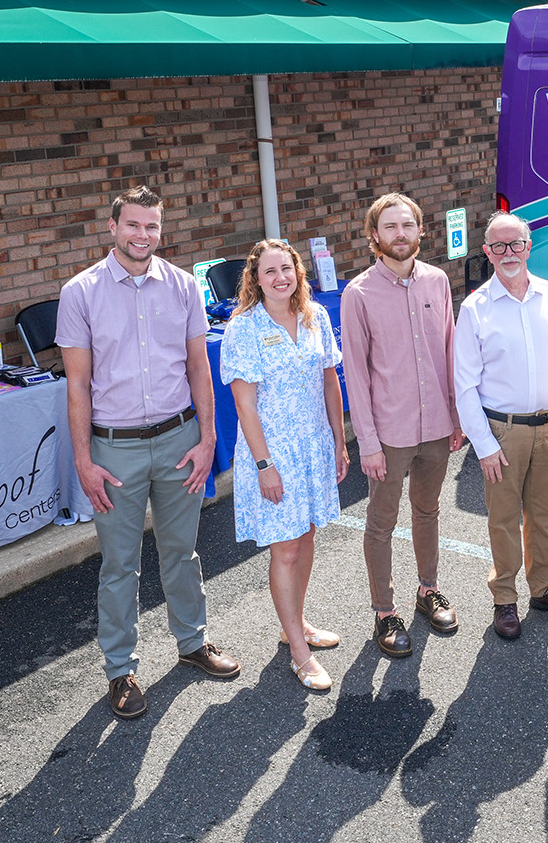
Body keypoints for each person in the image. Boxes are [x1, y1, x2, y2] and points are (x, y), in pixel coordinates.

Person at [56, 184, 240, 721]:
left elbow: (199, 369)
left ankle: (192, 642)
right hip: (114, 452)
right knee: (120, 564)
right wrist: (84, 462)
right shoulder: (81, 293)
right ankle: (121, 669)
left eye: (152, 226)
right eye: (133, 225)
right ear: (112, 228)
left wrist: (208, 440)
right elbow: (77, 387)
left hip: (180, 441)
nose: (143, 235)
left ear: (162, 230)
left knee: (182, 551)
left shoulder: (184, 287)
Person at [220, 239, 350, 691]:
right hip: (273, 452)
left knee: (308, 533)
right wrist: (263, 465)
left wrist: (338, 440)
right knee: (286, 548)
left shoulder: (317, 318)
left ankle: (294, 622)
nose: (281, 278)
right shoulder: (244, 328)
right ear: (256, 279)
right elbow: (244, 402)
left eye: (287, 269)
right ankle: (299, 652)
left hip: (314, 446)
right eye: (270, 271)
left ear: (298, 272)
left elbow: (329, 379)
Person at [342, 192, 465, 658]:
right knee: (381, 522)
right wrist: (367, 442)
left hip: (436, 425)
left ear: (420, 231)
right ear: (375, 236)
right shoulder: (359, 294)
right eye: (390, 227)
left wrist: (455, 416)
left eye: (407, 225)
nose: (400, 234)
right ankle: (384, 611)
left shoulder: (437, 282)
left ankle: (427, 589)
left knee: (428, 511)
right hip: (388, 434)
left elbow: (451, 352)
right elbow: (355, 371)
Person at [453, 211, 548, 640]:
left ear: (530, 247)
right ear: (487, 253)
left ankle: (544, 587)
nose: (509, 253)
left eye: (517, 244)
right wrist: (485, 445)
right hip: (502, 432)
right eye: (499, 246)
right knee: (504, 518)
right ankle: (504, 598)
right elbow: (465, 385)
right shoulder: (475, 309)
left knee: (544, 516)